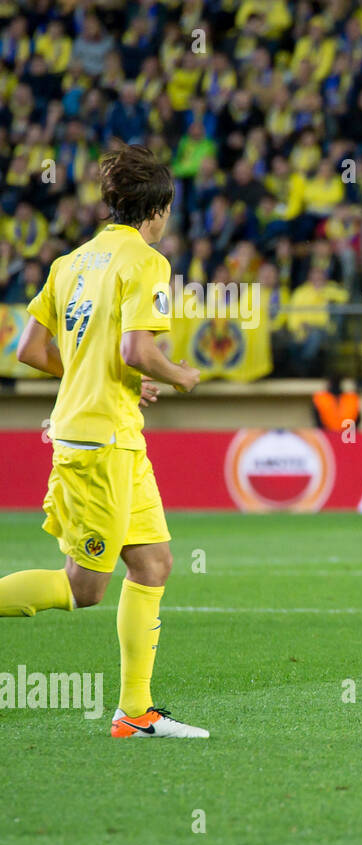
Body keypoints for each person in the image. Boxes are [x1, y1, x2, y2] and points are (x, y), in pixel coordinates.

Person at [1, 145, 208, 738]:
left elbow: (30, 351)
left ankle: (135, 713)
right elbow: (138, 351)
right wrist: (181, 374)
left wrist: (97, 376)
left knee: (154, 563)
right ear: (159, 209)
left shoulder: (72, 261)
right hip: (99, 444)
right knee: (82, 587)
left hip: (114, 433)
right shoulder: (146, 262)